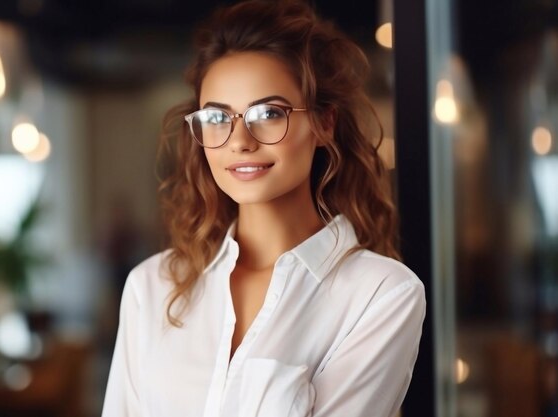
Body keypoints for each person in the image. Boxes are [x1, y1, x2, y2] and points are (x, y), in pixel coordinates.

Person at [102, 0, 426, 416]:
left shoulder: (380, 294)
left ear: (324, 124)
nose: (240, 140)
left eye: (268, 113)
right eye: (217, 118)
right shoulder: (152, 287)